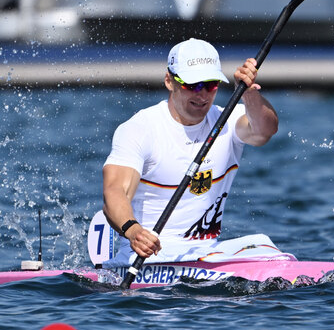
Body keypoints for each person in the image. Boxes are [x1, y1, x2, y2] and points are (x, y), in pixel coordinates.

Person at [101, 38, 286, 266]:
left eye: (211, 85)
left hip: (208, 252)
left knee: (264, 245)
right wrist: (133, 230)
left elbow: (266, 130)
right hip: (150, 256)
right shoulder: (140, 129)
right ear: (170, 81)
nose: (202, 95)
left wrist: (248, 93)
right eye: (193, 85)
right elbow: (114, 191)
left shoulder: (226, 120)